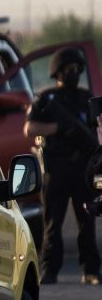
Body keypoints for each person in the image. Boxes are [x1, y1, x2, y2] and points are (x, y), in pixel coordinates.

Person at [24, 47, 101, 285]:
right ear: (57, 72)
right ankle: (49, 271)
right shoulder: (47, 99)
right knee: (52, 225)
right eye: (68, 70)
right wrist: (57, 129)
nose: (73, 74)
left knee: (87, 223)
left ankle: (91, 270)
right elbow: (30, 129)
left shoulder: (85, 98)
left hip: (81, 170)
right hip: (55, 171)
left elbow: (96, 133)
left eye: (77, 70)